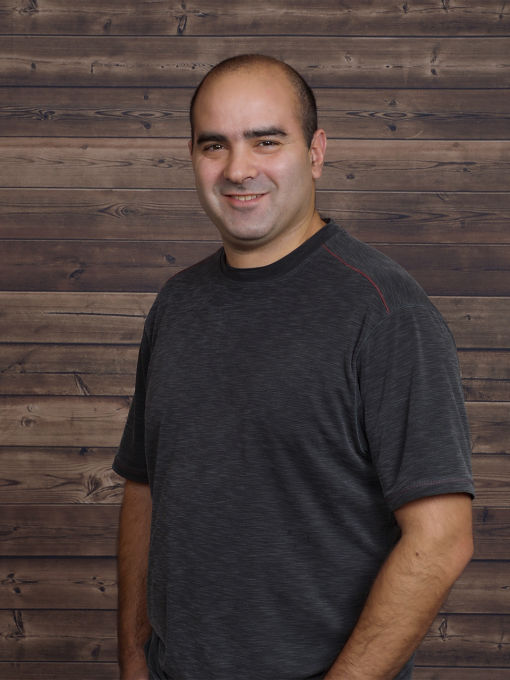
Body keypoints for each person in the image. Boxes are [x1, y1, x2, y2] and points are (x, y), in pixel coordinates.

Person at [113, 54, 475, 680]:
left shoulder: (386, 312)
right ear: (192, 156)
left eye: (266, 141)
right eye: (214, 145)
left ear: (315, 153)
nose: (238, 169)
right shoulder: (176, 305)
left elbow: (441, 539)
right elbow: (145, 490)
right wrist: (131, 659)